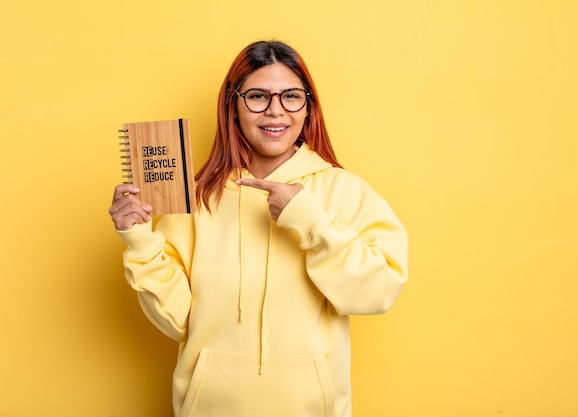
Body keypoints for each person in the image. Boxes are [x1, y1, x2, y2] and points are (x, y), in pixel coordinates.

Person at [109, 40, 408, 417]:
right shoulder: (198, 197)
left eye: (291, 97)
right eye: (257, 96)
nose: (275, 111)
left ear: (308, 107)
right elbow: (177, 320)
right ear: (232, 106)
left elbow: (376, 293)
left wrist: (310, 221)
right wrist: (139, 240)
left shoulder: (346, 190)